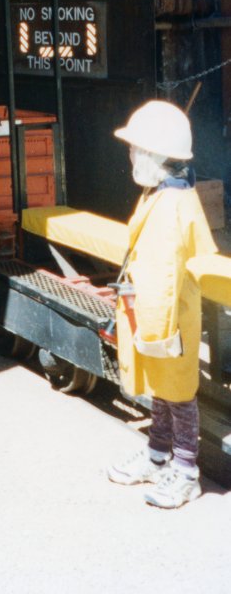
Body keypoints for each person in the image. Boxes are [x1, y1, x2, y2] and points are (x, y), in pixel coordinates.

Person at [106, 99, 217, 508]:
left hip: (168, 320)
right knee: (164, 390)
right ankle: (157, 456)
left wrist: (155, 330)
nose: (131, 154)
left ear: (155, 155)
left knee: (179, 394)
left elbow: (167, 276)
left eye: (136, 148)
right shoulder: (166, 195)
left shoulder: (171, 204)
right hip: (159, 317)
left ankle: (186, 472)